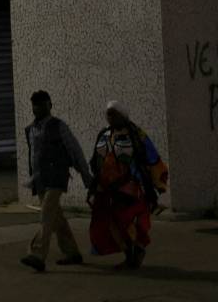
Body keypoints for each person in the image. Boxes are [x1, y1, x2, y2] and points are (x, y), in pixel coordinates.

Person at [87, 100, 169, 270]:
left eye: (113, 113)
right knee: (107, 221)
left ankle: (135, 252)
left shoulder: (137, 135)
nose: (110, 117)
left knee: (127, 221)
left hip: (130, 188)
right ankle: (129, 253)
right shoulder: (104, 134)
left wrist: (157, 184)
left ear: (122, 115)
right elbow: (96, 160)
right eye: (108, 113)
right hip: (106, 188)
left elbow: (152, 157)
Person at [19, 90, 95, 273]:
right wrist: (32, 180)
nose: (38, 108)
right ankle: (72, 253)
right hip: (41, 180)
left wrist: (86, 177)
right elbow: (34, 158)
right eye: (35, 105)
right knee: (56, 219)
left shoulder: (59, 126)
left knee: (46, 215)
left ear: (50, 105)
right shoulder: (31, 129)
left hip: (57, 178)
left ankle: (37, 254)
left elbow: (74, 150)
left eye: (42, 104)